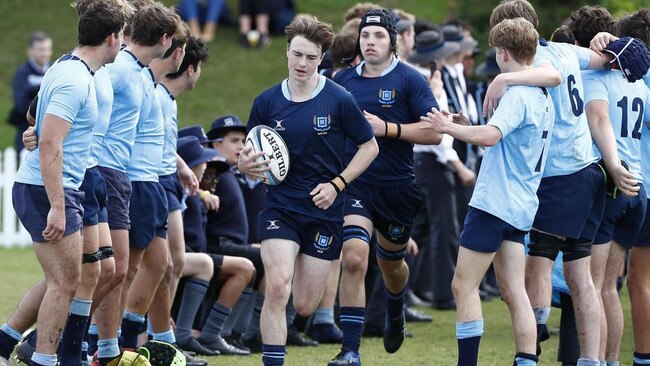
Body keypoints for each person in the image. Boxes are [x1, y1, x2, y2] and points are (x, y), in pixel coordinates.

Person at [486, 2, 639, 365]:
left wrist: (503, 77)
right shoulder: (566, 49)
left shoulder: (537, 60)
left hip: (560, 175)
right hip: (587, 173)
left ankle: (530, 350)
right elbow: (608, 59)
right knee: (579, 273)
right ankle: (591, 359)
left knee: (537, 266)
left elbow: (550, 76)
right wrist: (608, 41)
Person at [237, 15, 379, 366]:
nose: (302, 63)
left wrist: (338, 185)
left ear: (321, 59)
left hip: (324, 210)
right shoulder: (266, 102)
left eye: (311, 57)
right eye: (297, 54)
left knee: (304, 304)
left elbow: (369, 147)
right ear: (287, 52)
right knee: (277, 285)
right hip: (281, 206)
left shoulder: (338, 99)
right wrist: (244, 165)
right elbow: (249, 151)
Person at [0, 2, 129, 366]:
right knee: (66, 282)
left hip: (58, 187)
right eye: (121, 37)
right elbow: (51, 143)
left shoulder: (71, 68)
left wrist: (37, 131)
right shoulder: (75, 79)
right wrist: (58, 204)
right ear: (111, 38)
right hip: (47, 190)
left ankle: (33, 351)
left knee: (69, 278)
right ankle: (47, 358)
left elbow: (39, 122)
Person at [422, 17, 554, 366]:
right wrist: (469, 128)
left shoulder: (518, 94)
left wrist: (447, 126)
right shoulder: (542, 96)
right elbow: (503, 143)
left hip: (494, 203)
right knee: (514, 291)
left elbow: (490, 137)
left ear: (504, 53)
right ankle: (526, 360)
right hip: (521, 205)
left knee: (462, 286)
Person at [330, 8, 440, 364]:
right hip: (355, 184)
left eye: (378, 36)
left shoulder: (411, 80)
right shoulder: (343, 81)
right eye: (365, 36)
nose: (371, 42)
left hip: (396, 188)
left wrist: (388, 128)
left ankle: (395, 307)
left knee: (392, 266)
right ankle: (350, 350)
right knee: (354, 258)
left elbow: (435, 132)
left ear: (393, 41)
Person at [92, 4, 181, 365]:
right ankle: (96, 343)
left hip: (137, 182)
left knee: (135, 268)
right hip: (120, 177)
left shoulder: (142, 74)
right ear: (164, 40)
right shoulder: (120, 70)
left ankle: (109, 345)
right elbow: (85, 98)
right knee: (114, 272)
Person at [571, 7, 650, 365]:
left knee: (593, 285)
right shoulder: (636, 79)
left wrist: (613, 164)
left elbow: (599, 117)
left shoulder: (593, 77)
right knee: (608, 287)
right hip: (640, 189)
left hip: (613, 184)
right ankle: (613, 361)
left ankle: (598, 361)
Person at [8, 32, 52, 153]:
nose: (45, 53)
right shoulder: (22, 73)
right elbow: (21, 105)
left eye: (48, 49)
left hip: (50, 131)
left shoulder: (54, 70)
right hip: (26, 131)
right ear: (30, 51)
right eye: (41, 49)